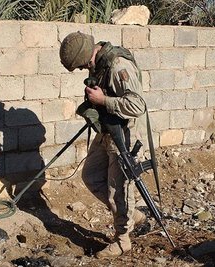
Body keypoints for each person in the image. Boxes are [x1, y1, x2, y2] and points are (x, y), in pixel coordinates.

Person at [59, 31, 147, 258]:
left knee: (117, 191)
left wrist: (103, 100)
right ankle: (132, 216)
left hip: (124, 135)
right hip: (108, 129)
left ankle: (122, 240)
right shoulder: (97, 62)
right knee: (91, 176)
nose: (82, 70)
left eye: (81, 67)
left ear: (87, 56)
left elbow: (137, 105)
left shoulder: (118, 65)